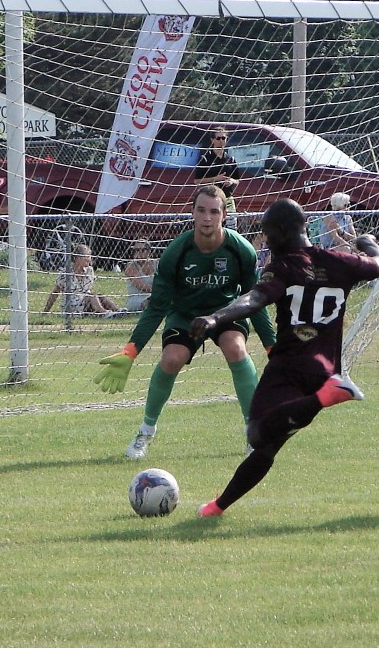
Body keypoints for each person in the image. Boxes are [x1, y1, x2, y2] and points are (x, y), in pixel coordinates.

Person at [193, 199, 379, 517]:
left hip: (289, 366)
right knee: (269, 446)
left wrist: (216, 318)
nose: (267, 241)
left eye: (268, 233)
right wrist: (368, 243)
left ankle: (329, 396)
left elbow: (255, 299)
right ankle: (217, 507)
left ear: (283, 231)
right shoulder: (339, 261)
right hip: (324, 369)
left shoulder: (284, 266)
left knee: (257, 433)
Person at [94, 185, 276, 459]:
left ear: (224, 215)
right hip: (185, 315)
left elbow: (254, 301)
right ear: (192, 213)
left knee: (236, 348)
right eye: (201, 210)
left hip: (226, 312)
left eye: (213, 212)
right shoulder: (175, 252)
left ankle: (254, 433)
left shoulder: (241, 250)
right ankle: (146, 431)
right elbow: (157, 307)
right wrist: (131, 351)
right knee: (171, 359)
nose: (207, 218)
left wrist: (272, 347)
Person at [43, 243, 122, 316]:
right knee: (92, 296)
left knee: (101, 297)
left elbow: (88, 290)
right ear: (77, 258)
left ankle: (118, 311)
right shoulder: (66, 274)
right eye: (87, 256)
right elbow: (55, 292)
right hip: (72, 305)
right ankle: (104, 313)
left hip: (86, 301)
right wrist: (45, 311)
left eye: (90, 256)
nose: (89, 259)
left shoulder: (89, 271)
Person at [194, 126, 242, 231]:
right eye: (218, 138)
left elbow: (237, 179)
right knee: (212, 227)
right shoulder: (205, 159)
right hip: (210, 198)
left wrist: (231, 181)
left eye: (223, 138)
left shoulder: (230, 159)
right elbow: (197, 181)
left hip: (228, 198)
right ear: (212, 140)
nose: (221, 141)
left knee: (231, 229)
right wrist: (216, 179)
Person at [123, 240, 155, 312]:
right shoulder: (130, 266)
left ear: (149, 251)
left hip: (155, 295)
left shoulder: (156, 264)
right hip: (138, 298)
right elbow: (141, 286)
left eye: (142, 250)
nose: (138, 253)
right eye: (136, 250)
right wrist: (160, 290)